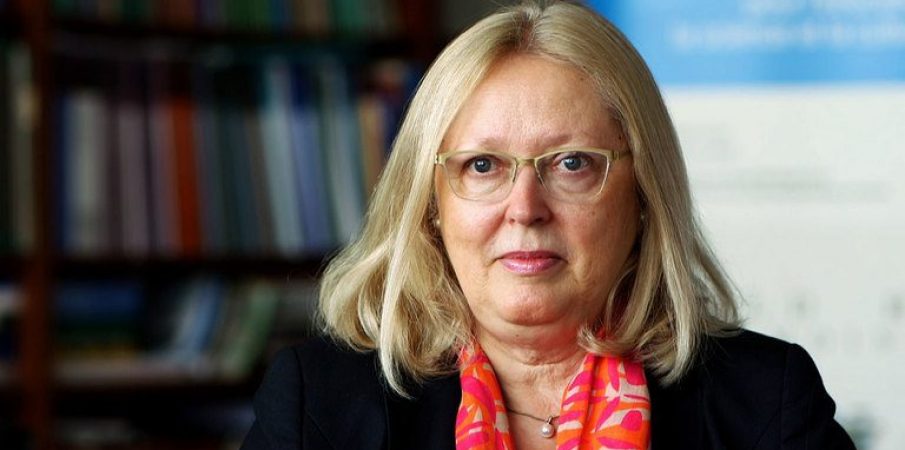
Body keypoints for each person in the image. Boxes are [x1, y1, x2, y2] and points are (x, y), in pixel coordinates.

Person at [241, 1, 856, 449]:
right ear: (431, 204)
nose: (525, 207)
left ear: (644, 192)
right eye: (483, 165)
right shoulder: (317, 405)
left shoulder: (768, 402)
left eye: (572, 163)